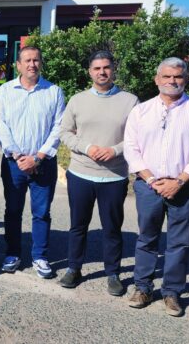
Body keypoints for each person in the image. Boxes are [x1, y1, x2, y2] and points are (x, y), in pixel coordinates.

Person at [124, 57, 189, 317]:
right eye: (166, 76)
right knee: (147, 239)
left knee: (180, 243)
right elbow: (131, 147)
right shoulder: (141, 111)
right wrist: (152, 179)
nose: (172, 81)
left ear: (185, 79)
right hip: (148, 185)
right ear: (157, 79)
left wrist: (179, 181)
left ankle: (172, 292)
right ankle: (142, 288)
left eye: (177, 76)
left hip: (184, 187)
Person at [58, 51, 138, 295]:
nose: (102, 72)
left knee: (112, 228)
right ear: (89, 72)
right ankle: (74, 268)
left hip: (113, 176)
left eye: (106, 67)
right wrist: (88, 147)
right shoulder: (77, 100)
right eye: (96, 68)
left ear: (113, 69)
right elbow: (65, 133)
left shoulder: (130, 101)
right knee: (78, 226)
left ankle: (113, 273)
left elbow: (137, 138)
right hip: (81, 174)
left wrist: (114, 150)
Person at [0, 46, 65, 278]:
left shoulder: (53, 91)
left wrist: (38, 157)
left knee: (41, 212)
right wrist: (16, 155)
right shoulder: (5, 91)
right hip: (14, 163)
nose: (32, 64)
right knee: (13, 210)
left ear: (41, 63)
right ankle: (12, 253)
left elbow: (58, 127)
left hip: (43, 163)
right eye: (27, 60)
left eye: (36, 60)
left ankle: (40, 256)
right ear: (18, 65)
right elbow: (0, 125)